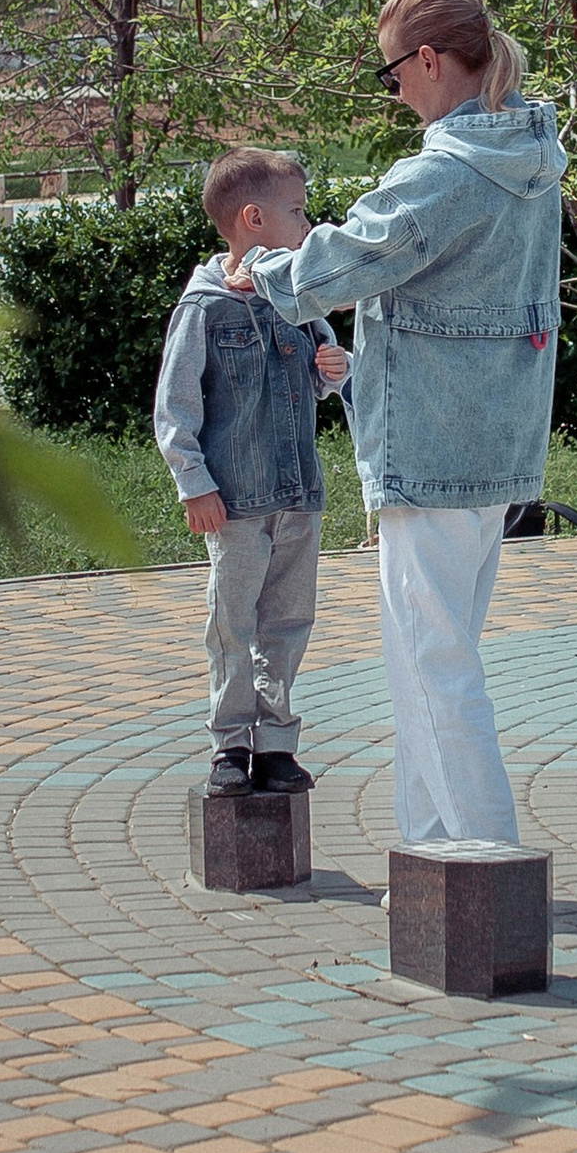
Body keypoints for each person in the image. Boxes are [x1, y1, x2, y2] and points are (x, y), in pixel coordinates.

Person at [244, 0, 562, 855]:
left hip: (431, 443)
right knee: (430, 656)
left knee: (433, 666)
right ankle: (431, 853)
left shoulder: (446, 174)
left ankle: (490, 865)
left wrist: (261, 269)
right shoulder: (531, 156)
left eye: (392, 76)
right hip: (495, 436)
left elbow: (345, 264)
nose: (394, 94)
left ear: (427, 59)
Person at [154, 148, 352, 797]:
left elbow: (321, 372)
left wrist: (333, 371)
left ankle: (276, 745)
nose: (307, 223)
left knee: (288, 625)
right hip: (237, 504)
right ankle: (229, 748)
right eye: (296, 211)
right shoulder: (204, 309)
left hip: (299, 496)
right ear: (252, 218)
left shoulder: (299, 300)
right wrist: (196, 486)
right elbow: (176, 409)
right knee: (232, 627)